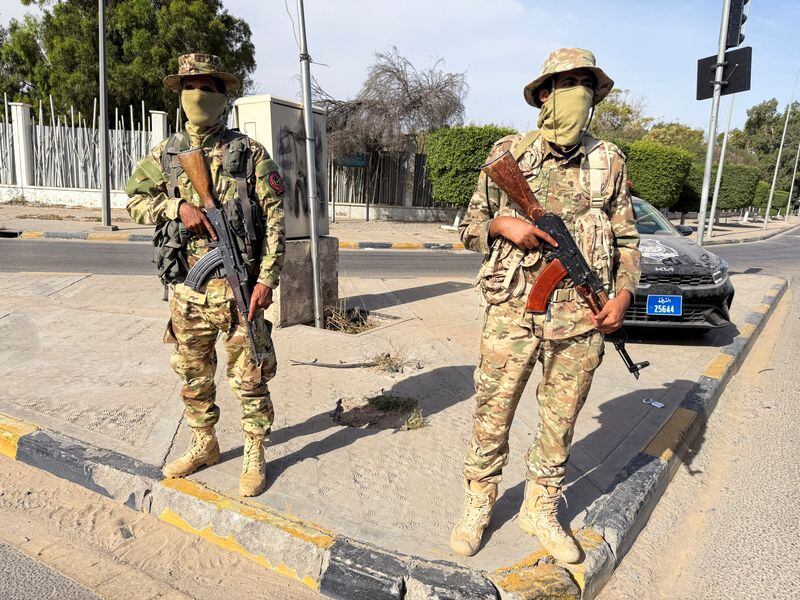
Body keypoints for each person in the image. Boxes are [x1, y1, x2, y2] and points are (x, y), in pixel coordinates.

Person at [450, 48, 640, 562]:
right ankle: (479, 501)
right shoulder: (509, 154)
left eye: (585, 83)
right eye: (566, 82)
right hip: (512, 310)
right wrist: (501, 225)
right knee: (493, 412)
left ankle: (540, 506)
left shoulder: (609, 161)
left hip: (581, 318)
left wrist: (623, 294)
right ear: (543, 95)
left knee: (560, 421)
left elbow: (627, 240)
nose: (577, 92)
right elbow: (468, 228)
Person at [126, 54, 286, 497]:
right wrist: (175, 206)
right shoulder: (166, 154)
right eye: (188, 86)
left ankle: (254, 450)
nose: (196, 94)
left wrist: (266, 279)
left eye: (206, 86)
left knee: (250, 377)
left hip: (238, 291)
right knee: (193, 374)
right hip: (187, 290)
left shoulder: (249, 153)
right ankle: (204, 444)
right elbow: (134, 200)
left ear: (222, 95)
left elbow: (276, 220)